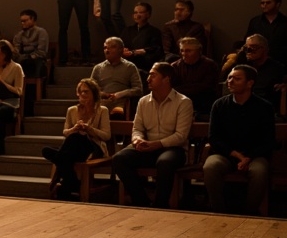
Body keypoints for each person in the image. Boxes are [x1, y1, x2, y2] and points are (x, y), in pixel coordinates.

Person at [112, 62, 193, 208]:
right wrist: (137, 140)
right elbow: (137, 128)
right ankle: (141, 201)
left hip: (173, 149)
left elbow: (181, 136)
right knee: (119, 158)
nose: (148, 79)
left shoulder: (183, 102)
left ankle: (160, 205)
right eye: (149, 75)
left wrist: (157, 144)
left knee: (165, 162)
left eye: (153, 75)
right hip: (148, 146)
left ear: (166, 79)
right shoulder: (143, 101)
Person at [203, 65, 276, 215]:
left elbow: (268, 140)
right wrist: (236, 155)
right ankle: (218, 212)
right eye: (229, 77)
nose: (230, 81)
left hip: (255, 155)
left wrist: (248, 157)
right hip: (227, 154)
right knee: (210, 166)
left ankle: (249, 213)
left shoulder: (264, 107)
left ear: (250, 83)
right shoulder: (220, 105)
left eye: (237, 79)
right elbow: (214, 137)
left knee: (259, 171)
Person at [42, 78, 110, 201]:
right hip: (74, 149)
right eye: (81, 91)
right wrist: (74, 128)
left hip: (93, 147)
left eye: (86, 91)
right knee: (55, 146)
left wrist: (90, 129)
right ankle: (71, 182)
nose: (83, 94)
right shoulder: (72, 110)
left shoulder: (102, 111)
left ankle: (66, 180)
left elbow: (106, 135)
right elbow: (65, 132)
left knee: (70, 143)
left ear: (94, 93)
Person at [90, 36, 143, 118]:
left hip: (121, 102)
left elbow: (138, 89)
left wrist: (119, 94)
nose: (107, 51)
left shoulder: (130, 67)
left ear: (120, 49)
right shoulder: (98, 68)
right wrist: (104, 95)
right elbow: (91, 89)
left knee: (117, 112)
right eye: (105, 48)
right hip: (101, 103)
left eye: (111, 47)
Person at [170, 37, 220, 116]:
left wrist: (183, 89)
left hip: (204, 105)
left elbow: (207, 88)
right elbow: (171, 88)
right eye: (182, 50)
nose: (184, 54)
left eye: (188, 51)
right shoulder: (175, 66)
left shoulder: (210, 65)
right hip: (180, 105)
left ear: (199, 51)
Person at [119, 2, 163, 74]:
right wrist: (123, 49)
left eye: (141, 12)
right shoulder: (127, 30)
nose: (137, 15)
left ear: (148, 14)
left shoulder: (154, 31)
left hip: (144, 67)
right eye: (135, 12)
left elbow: (156, 50)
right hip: (126, 65)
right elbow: (121, 44)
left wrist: (135, 52)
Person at [246, 0, 287, 66]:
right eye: (262, 3)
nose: (264, 5)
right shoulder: (255, 22)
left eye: (268, 3)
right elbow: (248, 41)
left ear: (278, 4)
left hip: (280, 64)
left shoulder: (285, 22)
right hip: (257, 64)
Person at [12, 9, 49, 79]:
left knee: (30, 62)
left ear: (33, 19)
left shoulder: (41, 32)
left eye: (25, 21)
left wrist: (29, 56)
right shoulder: (19, 34)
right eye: (21, 21)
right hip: (22, 59)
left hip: (35, 59)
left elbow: (42, 51)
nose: (23, 23)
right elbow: (17, 48)